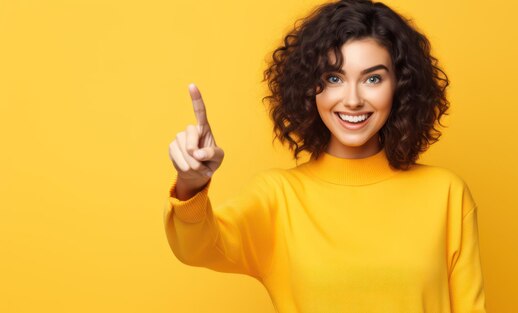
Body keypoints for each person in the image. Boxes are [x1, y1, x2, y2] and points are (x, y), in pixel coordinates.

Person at [164, 0, 487, 312]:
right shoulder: (279, 196)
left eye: (373, 78)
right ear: (308, 87)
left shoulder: (445, 193)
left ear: (400, 87)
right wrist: (191, 184)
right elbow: (198, 248)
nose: (352, 99)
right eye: (334, 78)